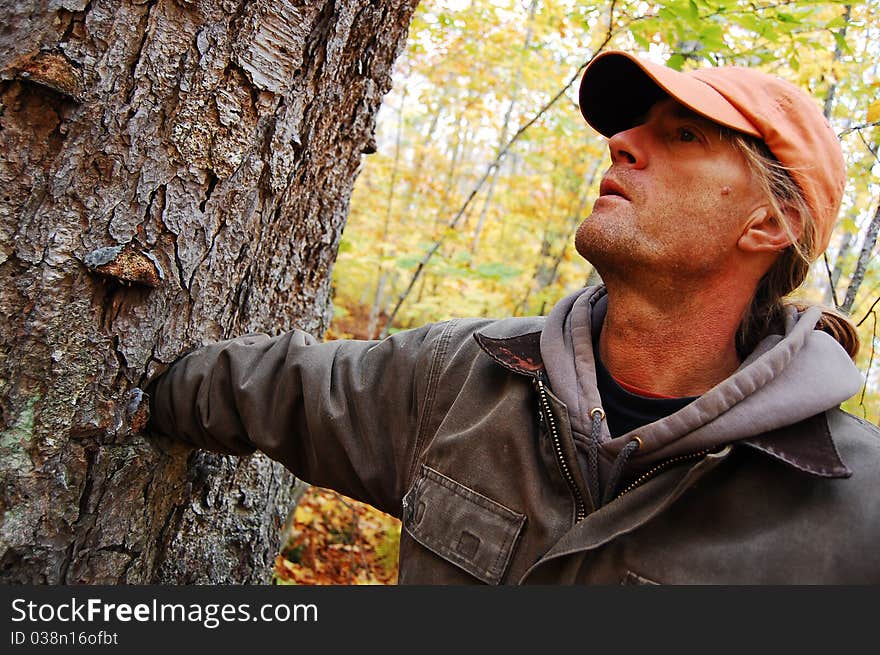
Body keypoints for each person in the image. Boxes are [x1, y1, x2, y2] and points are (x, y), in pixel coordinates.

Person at [148, 50, 880, 584]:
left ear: (768, 223)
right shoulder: (463, 375)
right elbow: (276, 389)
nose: (623, 143)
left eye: (683, 135)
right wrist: (127, 378)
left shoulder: (856, 514)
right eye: (635, 128)